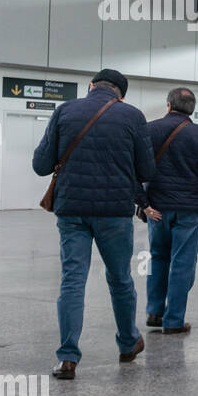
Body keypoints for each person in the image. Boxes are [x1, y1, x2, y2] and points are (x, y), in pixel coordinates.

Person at [33, 68, 156, 379]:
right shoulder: (132, 116)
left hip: (71, 209)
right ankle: (128, 342)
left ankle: (67, 358)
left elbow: (40, 165)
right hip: (114, 212)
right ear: (121, 94)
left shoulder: (65, 111)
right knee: (119, 278)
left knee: (72, 280)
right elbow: (146, 170)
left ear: (91, 87)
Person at [142, 87, 198, 336]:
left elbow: (136, 169)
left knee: (157, 258)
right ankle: (174, 319)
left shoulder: (149, 129)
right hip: (188, 209)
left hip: (157, 208)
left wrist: (142, 202)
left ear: (168, 105)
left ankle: (154, 311)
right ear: (193, 109)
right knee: (182, 263)